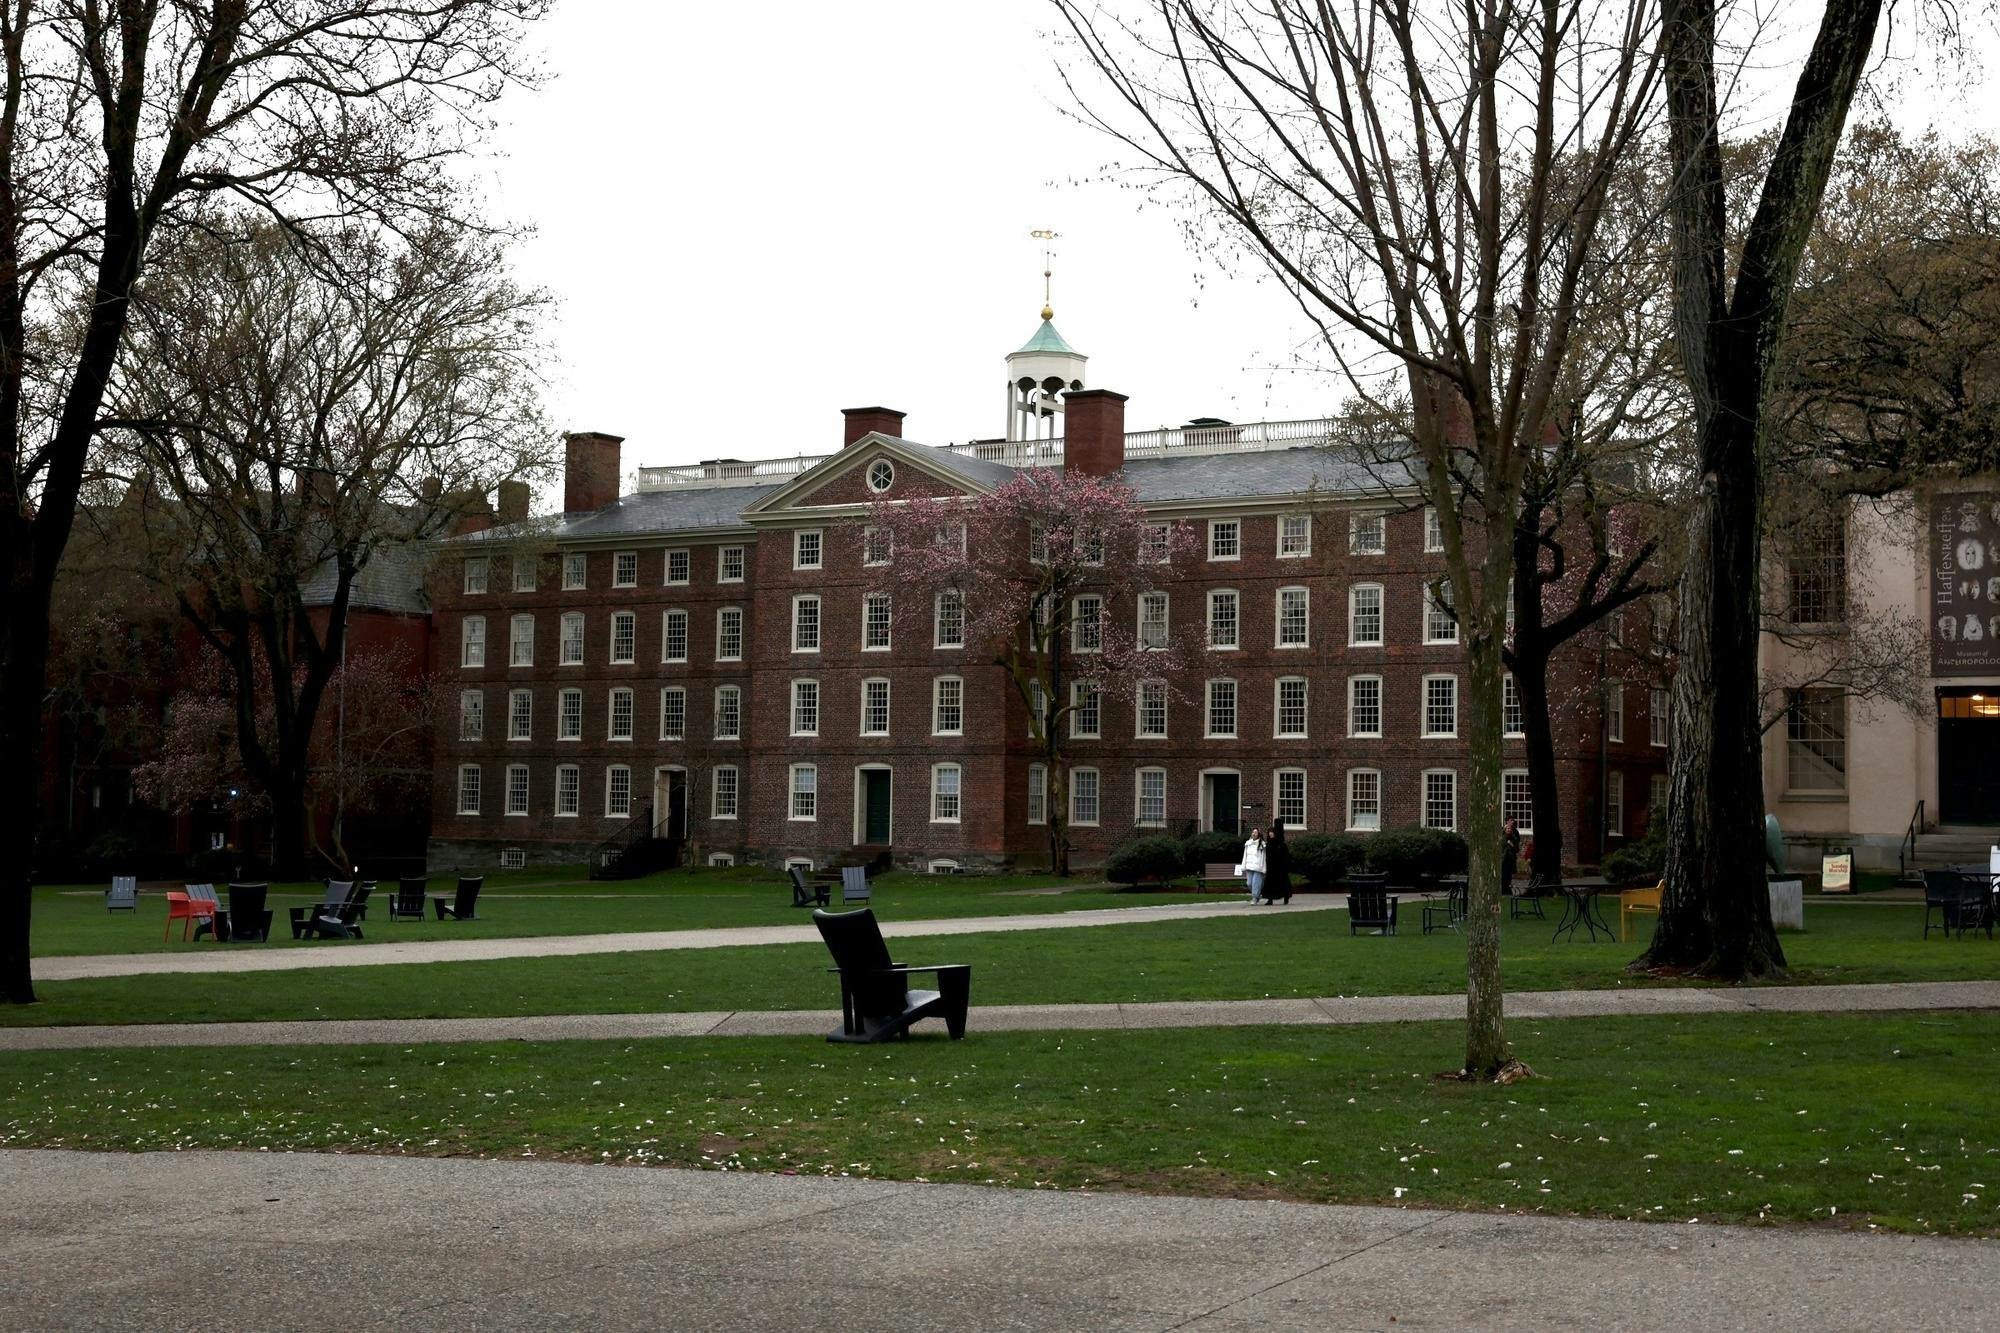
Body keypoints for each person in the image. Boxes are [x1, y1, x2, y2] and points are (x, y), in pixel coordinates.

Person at [1264, 819, 1294, 905]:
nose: (1270, 833)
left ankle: (1286, 897)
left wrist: (1286, 865)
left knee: (1283, 882)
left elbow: (1285, 855)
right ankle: (1270, 899)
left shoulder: (1281, 844)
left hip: (1280, 867)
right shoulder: (1269, 844)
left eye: (1272, 832)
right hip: (1271, 866)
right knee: (1270, 883)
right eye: (1269, 832)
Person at [1241, 826, 1268, 904]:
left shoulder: (1262, 844)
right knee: (1249, 883)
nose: (1254, 834)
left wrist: (1263, 868)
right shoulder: (1248, 843)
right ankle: (1258, 894)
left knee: (1255, 883)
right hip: (1249, 866)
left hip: (1258, 867)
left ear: (1258, 834)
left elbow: (1263, 857)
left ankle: (1254, 898)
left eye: (1256, 832)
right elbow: (1245, 855)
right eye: (1253, 832)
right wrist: (1244, 865)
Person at [1502, 818, 1522, 897]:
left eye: (1510, 829)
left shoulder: (1514, 838)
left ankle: (1507, 891)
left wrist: (1511, 844)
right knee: (1503, 876)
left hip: (1510, 860)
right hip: (1503, 860)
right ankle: (1503, 891)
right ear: (1505, 829)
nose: (1509, 830)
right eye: (1507, 828)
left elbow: (1516, 849)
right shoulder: (1502, 838)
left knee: (1508, 877)